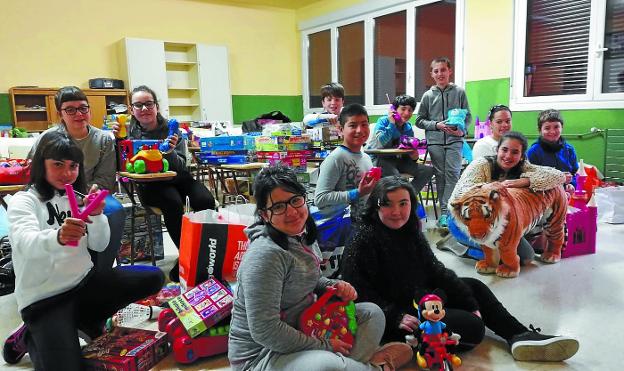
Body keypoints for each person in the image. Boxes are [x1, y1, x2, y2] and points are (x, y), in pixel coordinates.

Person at [340, 176, 579, 362]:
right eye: (388, 204)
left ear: (411, 204)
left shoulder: (409, 228)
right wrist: (395, 316)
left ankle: (520, 335)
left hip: (419, 298)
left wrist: (470, 302)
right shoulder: (364, 238)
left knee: (473, 286)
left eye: (403, 203)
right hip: (397, 318)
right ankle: (418, 339)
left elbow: (434, 268)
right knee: (473, 328)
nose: (396, 212)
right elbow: (356, 290)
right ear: (376, 206)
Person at [2, 131, 164, 369]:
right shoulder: (24, 201)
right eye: (58, 164)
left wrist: (97, 217)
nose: (67, 173)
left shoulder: (76, 197)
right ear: (41, 165)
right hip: (45, 301)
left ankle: (86, 323)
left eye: (73, 166)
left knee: (153, 277)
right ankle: (30, 335)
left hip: (85, 286)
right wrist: (57, 236)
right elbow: (26, 243)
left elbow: (99, 245)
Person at [228, 164, 413, 371]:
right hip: (263, 355)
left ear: (304, 199)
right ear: (264, 215)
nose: (291, 212)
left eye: (295, 200)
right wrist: (324, 346)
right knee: (326, 365)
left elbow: (305, 279)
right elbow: (265, 331)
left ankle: (348, 365)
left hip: (307, 326)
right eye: (278, 207)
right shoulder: (265, 255)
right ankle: (376, 368)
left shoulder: (302, 234)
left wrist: (331, 285)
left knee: (372, 314)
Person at [115, 85, 216, 282]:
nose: (144, 109)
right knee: (173, 203)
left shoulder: (172, 128)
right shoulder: (127, 132)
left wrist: (170, 151)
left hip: (178, 178)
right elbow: (123, 164)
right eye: (138, 105)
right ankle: (187, 257)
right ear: (132, 109)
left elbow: (180, 166)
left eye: (148, 104)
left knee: (206, 200)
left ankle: (203, 254)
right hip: (150, 185)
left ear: (156, 106)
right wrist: (117, 139)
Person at [28, 86, 125, 272]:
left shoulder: (104, 139)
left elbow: (105, 179)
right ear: (60, 113)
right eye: (70, 110)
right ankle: (62, 268)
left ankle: (100, 271)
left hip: (90, 193)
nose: (78, 114)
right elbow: (37, 174)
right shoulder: (48, 138)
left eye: (83, 108)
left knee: (114, 211)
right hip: (55, 193)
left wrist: (86, 196)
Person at [449, 131, 566, 263]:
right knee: (500, 257)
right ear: (497, 149)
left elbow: (559, 176)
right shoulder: (481, 164)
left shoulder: (524, 166)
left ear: (522, 156)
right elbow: (458, 194)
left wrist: (524, 181)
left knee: (525, 257)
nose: (508, 156)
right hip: (465, 220)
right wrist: (486, 188)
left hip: (495, 223)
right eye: (504, 150)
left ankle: (478, 247)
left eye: (515, 152)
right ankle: (455, 243)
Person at [415, 57, 471, 228]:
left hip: (455, 140)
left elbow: (467, 116)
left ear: (449, 71)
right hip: (435, 142)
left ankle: (449, 211)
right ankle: (445, 214)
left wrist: (462, 131)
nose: (440, 73)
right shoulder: (427, 96)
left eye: (443, 70)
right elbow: (419, 120)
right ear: (432, 74)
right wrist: (436, 125)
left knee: (453, 173)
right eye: (436, 71)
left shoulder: (459, 92)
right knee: (440, 176)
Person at [314, 103, 378, 222]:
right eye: (353, 125)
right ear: (341, 129)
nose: (360, 130)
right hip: (342, 227)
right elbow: (320, 199)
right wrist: (356, 193)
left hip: (362, 222)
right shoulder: (335, 158)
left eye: (364, 124)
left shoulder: (366, 158)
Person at [367, 94, 434, 195]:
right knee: (397, 179)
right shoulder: (383, 121)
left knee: (428, 171)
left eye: (410, 110)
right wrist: (391, 124)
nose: (406, 113)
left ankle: (409, 197)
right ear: (394, 109)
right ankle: (401, 198)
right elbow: (381, 142)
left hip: (399, 161)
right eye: (403, 109)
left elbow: (409, 151)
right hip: (379, 160)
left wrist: (414, 156)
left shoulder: (408, 128)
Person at [527, 109, 578, 192]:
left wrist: (572, 184)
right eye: (547, 128)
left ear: (562, 127)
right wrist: (559, 179)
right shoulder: (533, 152)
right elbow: (530, 179)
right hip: (543, 196)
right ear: (540, 130)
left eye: (556, 127)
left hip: (566, 195)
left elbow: (575, 173)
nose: (552, 131)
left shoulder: (569, 150)